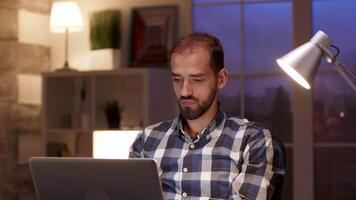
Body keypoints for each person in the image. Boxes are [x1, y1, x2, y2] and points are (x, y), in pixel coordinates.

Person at [130, 32, 284, 199]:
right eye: (177, 79)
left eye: (197, 79)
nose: (184, 91)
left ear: (221, 79)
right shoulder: (146, 140)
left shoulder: (253, 140)